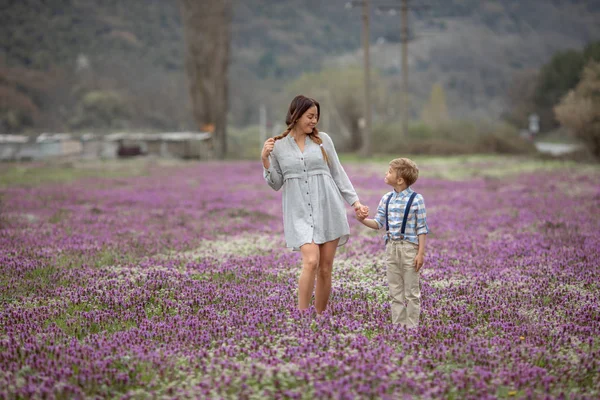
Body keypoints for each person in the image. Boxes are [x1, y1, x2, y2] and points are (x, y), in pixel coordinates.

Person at [261, 95, 369, 314]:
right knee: (311, 261)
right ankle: (302, 318)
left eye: (316, 117)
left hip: (328, 208)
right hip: (299, 212)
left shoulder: (323, 141)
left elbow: (338, 174)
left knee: (326, 268)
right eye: (310, 116)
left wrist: (355, 202)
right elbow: (276, 183)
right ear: (296, 115)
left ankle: (319, 318)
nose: (314, 121)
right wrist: (265, 160)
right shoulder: (278, 146)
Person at [357, 158, 429, 327]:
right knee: (395, 291)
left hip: (409, 249)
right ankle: (398, 328)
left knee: (411, 292)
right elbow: (378, 224)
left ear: (400, 180)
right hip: (391, 247)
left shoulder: (417, 199)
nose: (385, 173)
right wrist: (363, 220)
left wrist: (420, 253)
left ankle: (412, 329)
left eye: (389, 172)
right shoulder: (386, 198)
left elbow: (422, 228)